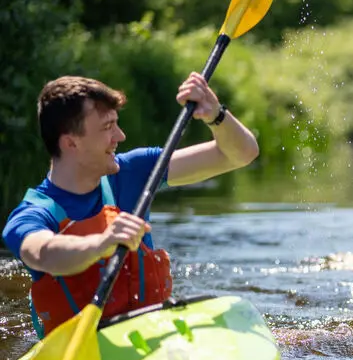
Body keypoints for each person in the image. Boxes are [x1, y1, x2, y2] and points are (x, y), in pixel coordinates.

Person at [2, 73, 260, 338]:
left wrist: (216, 115)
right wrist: (101, 243)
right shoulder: (31, 214)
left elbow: (240, 154)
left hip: (152, 336)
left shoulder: (134, 171)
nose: (120, 136)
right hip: (79, 351)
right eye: (107, 127)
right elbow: (44, 253)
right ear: (71, 142)